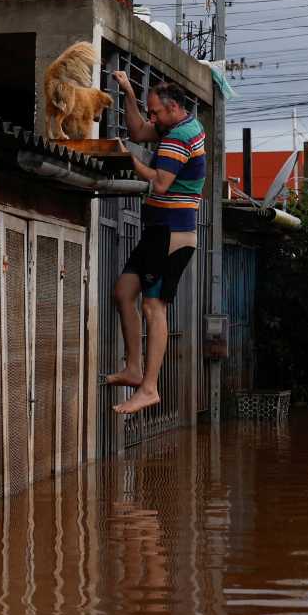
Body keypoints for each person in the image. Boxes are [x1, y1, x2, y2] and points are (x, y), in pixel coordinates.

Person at [105, 71, 206, 415]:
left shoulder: (180, 137)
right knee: (123, 293)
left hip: (171, 234)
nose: (152, 119)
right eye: (150, 112)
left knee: (153, 307)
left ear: (174, 107)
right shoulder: (174, 125)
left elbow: (160, 184)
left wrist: (128, 159)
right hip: (157, 231)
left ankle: (149, 388)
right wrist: (129, 92)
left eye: (156, 113)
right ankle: (134, 368)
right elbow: (137, 131)